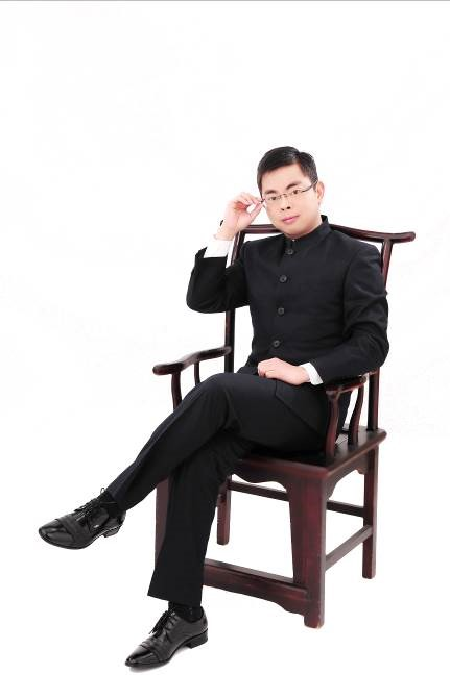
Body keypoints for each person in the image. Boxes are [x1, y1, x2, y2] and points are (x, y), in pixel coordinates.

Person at [38, 146, 389, 668]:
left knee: (221, 388)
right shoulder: (260, 254)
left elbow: (372, 344)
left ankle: (109, 506)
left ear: (318, 190)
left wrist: (305, 371)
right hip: (250, 402)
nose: (284, 204)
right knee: (198, 456)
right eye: (272, 196)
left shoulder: (354, 256)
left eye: (294, 191)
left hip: (314, 409)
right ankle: (185, 614)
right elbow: (203, 299)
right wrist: (227, 230)